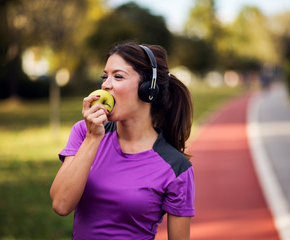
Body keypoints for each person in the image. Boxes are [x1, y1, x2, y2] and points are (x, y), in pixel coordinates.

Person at [50, 42, 195, 240]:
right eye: (105, 76)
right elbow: (61, 204)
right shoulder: (84, 132)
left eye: (117, 76)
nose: (105, 85)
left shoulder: (176, 167)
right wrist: (93, 138)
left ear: (148, 89)